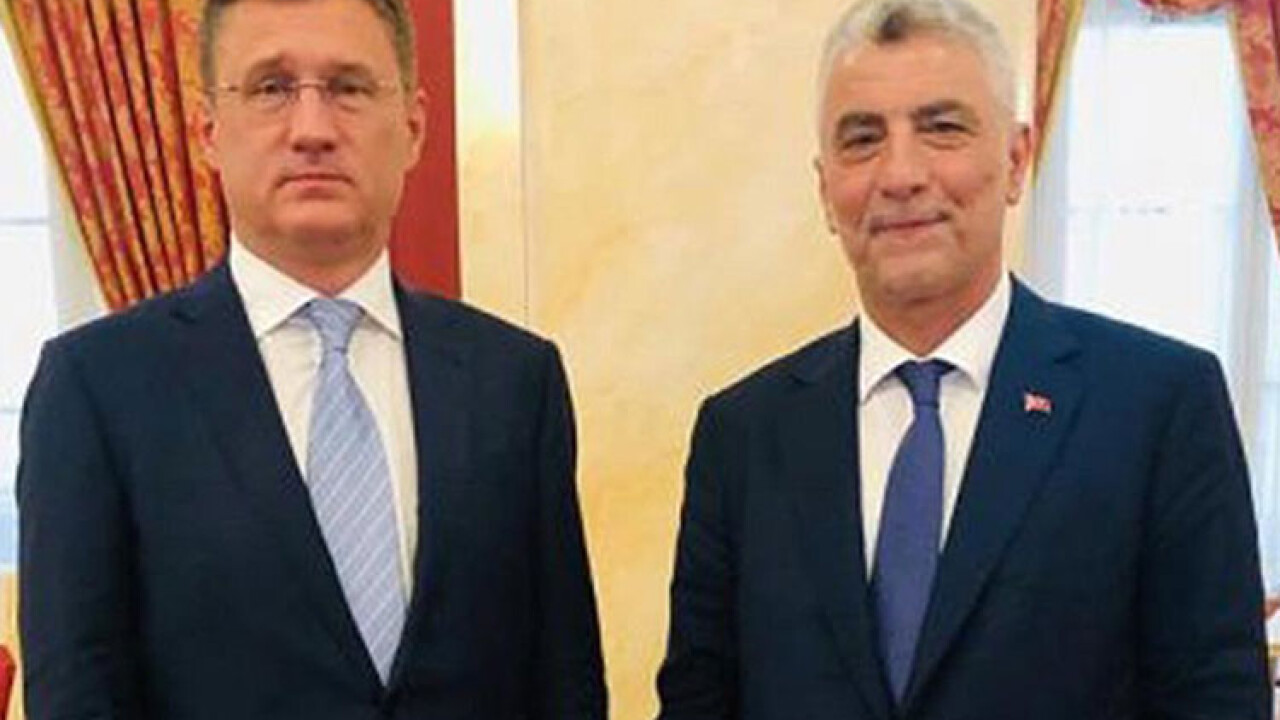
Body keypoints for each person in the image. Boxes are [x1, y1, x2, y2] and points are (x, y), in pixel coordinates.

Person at [655, 0, 1271, 717]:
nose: (901, 174)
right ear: (826, 190)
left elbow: (1215, 701)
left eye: (941, 128)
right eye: (863, 139)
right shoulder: (742, 435)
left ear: (1015, 160)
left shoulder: (1157, 409)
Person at [17, 0, 607, 717]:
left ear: (413, 127)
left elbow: (565, 683)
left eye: (349, 88)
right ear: (208, 131)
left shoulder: (514, 382)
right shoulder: (98, 388)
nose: (312, 129)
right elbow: (78, 691)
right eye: (270, 88)